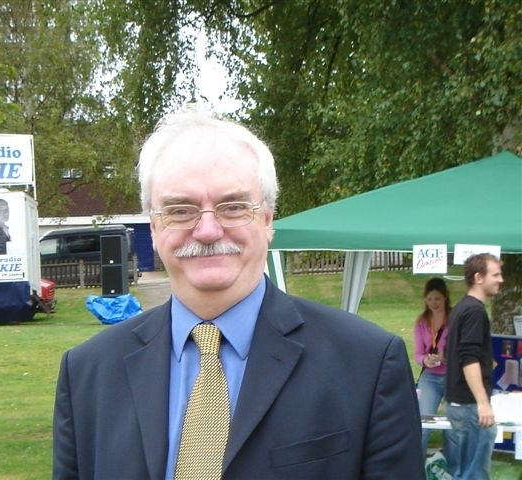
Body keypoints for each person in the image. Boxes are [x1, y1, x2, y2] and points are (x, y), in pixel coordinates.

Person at [52, 106, 424, 479]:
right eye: (180, 210)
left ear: (267, 220)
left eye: (233, 207)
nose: (207, 230)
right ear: (153, 227)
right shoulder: (88, 374)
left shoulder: (367, 365)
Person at [444, 253, 503, 479]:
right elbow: (468, 358)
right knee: (474, 474)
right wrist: (483, 403)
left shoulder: (461, 307)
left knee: (462, 472)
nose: (500, 280)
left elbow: (453, 352)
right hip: (470, 406)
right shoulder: (475, 311)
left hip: (459, 403)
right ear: (479, 277)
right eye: (495, 275)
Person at [413, 277, 451, 460]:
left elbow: (464, 352)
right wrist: (425, 360)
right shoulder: (422, 322)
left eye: (437, 299)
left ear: (445, 297)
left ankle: (452, 467)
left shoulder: (455, 319)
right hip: (430, 377)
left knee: (452, 427)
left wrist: (446, 357)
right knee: (423, 425)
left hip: (453, 376)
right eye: (429, 299)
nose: (434, 303)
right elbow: (417, 354)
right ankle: (417, 468)